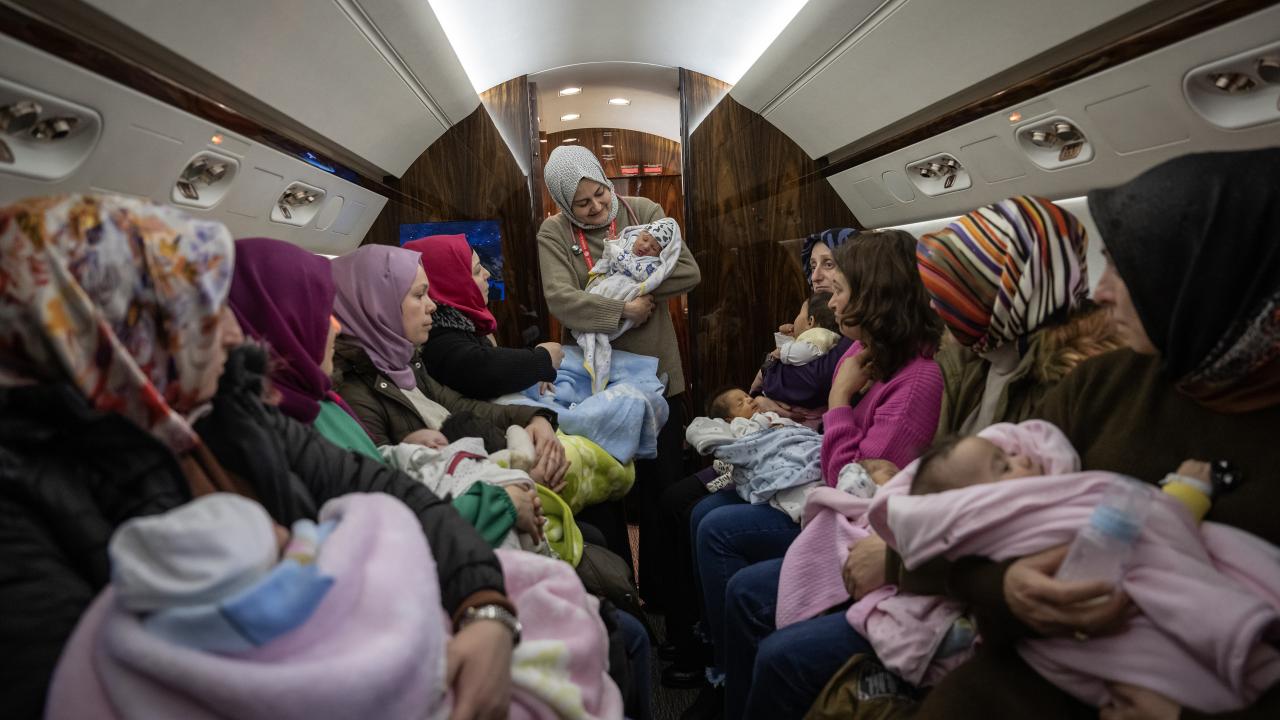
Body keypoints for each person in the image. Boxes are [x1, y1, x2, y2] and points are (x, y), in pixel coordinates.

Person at [0, 195, 517, 719]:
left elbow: (389, 494)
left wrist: (484, 605)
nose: (233, 331)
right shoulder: (20, 504)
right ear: (116, 329)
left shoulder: (225, 410)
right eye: (200, 308)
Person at [901, 149, 1280, 720]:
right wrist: (1006, 587)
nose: (1100, 292)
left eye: (1127, 271)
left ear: (1210, 283)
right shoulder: (1104, 383)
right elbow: (959, 526)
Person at [686, 229, 945, 719]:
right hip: (826, 487)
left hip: (858, 526)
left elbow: (851, 483)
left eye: (842, 289)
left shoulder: (916, 383)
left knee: (723, 539)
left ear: (876, 299)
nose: (833, 300)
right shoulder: (867, 353)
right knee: (704, 513)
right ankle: (725, 673)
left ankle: (733, 688)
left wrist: (838, 400)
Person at [227, 236, 540, 547]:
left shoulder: (381, 373)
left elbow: (449, 412)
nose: (335, 326)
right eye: (319, 313)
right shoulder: (332, 402)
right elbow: (382, 520)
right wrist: (500, 500)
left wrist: (536, 418)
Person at [538, 144, 701, 603]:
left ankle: (666, 604)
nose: (595, 208)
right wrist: (622, 308)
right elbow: (561, 299)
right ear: (563, 204)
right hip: (598, 387)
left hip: (658, 379)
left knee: (662, 493)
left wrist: (632, 282)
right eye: (582, 204)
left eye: (600, 195)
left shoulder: (643, 211)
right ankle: (621, 598)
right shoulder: (554, 233)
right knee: (605, 493)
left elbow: (687, 271)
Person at [328, 243, 569, 490]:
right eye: (419, 295)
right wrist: (510, 487)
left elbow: (460, 407)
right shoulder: (354, 392)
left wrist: (536, 418)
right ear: (380, 304)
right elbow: (392, 489)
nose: (432, 305)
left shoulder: (403, 364)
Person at [915, 195, 1117, 437]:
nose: (932, 305)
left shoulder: (1079, 386)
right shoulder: (968, 363)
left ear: (998, 296)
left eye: (950, 296)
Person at [408, 234, 564, 400]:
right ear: (451, 282)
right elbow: (481, 369)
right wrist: (541, 360)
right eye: (476, 271)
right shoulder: (435, 336)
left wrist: (531, 372)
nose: (487, 273)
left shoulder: (465, 322)